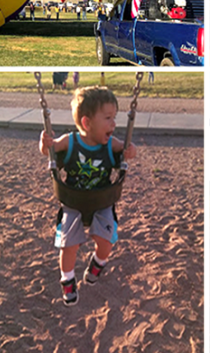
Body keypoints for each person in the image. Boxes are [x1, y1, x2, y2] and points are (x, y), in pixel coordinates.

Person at [39, 86, 137, 307]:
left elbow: (128, 150)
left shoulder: (111, 144)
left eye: (115, 117)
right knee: (68, 244)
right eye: (108, 118)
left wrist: (131, 152)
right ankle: (67, 278)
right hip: (73, 202)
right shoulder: (70, 141)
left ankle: (98, 262)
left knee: (107, 241)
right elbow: (50, 151)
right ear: (86, 123)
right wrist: (45, 144)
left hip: (102, 202)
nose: (114, 124)